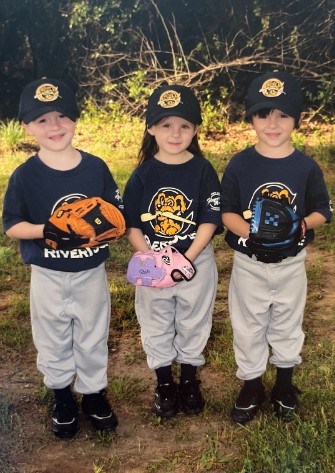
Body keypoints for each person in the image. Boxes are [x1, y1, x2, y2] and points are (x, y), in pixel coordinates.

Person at [2, 78, 124, 438]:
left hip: (90, 271)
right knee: (52, 336)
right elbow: (12, 225)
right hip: (47, 273)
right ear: (26, 127)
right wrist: (48, 229)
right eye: (42, 120)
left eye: (61, 116)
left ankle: (93, 394)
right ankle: (62, 396)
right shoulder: (25, 175)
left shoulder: (95, 167)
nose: (54, 126)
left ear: (75, 119)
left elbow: (115, 215)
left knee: (92, 333)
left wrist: (108, 227)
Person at [221, 71, 333, 424]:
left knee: (287, 323)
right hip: (249, 261)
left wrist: (299, 225)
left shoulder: (305, 166)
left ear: (296, 119)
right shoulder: (240, 163)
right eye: (263, 113)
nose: (273, 122)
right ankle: (251, 384)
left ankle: (285, 384)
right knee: (248, 324)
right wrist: (253, 235)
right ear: (251, 117)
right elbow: (226, 211)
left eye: (283, 114)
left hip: (290, 262)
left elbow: (322, 211)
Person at [123, 84, 222, 418]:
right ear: (152, 129)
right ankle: (165, 381)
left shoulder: (203, 170)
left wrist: (186, 259)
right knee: (155, 320)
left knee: (195, 318)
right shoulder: (142, 174)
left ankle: (189, 379)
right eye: (166, 125)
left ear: (195, 129)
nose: (175, 133)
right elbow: (132, 226)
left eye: (184, 125)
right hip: (153, 261)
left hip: (195, 258)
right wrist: (154, 260)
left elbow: (209, 219)